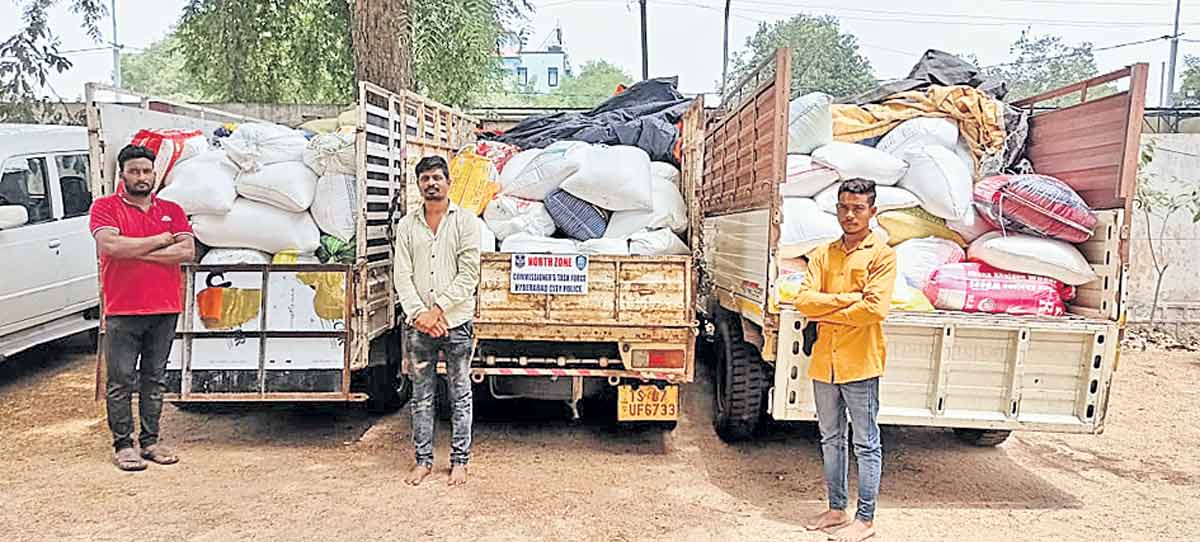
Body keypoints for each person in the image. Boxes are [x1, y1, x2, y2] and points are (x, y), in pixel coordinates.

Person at [793, 178, 897, 542]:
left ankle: (865, 519)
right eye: (843, 207)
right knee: (830, 437)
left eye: (858, 208)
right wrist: (846, 300)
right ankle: (837, 509)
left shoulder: (882, 254)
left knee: (866, 442)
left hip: (860, 363)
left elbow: (874, 309)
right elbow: (804, 301)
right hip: (824, 361)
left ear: (872, 211)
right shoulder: (823, 253)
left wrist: (828, 305)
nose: (849, 214)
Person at [90, 145, 195, 471]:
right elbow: (110, 245)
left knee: (154, 378)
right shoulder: (104, 208)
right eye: (134, 171)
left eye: (146, 171)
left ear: (154, 174)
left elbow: (187, 251)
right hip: (123, 309)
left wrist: (136, 251)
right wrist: (161, 240)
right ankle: (124, 445)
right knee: (120, 381)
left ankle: (151, 441)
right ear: (122, 174)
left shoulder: (172, 209)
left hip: (164, 307)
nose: (141, 177)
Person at [393, 155, 481, 487]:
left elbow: (468, 275)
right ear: (418, 185)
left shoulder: (466, 222)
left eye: (437, 178)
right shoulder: (407, 225)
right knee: (422, 394)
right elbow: (401, 275)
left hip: (455, 323)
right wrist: (420, 315)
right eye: (425, 178)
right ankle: (423, 461)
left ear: (448, 182)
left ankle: (460, 461)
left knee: (459, 393)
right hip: (419, 326)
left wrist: (437, 311)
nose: (431, 183)